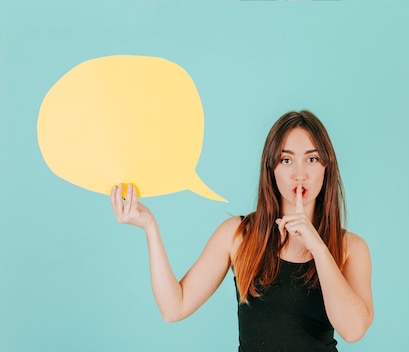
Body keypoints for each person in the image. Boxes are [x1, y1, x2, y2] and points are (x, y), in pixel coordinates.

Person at [110, 110, 373, 351]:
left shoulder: (351, 247)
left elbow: (353, 330)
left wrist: (317, 246)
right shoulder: (238, 234)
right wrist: (150, 227)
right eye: (286, 160)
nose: (299, 174)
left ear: (327, 168)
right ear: (271, 168)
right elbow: (173, 307)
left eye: (312, 159)